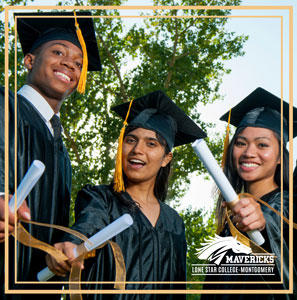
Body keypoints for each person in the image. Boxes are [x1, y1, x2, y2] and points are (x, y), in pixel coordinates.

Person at [45, 90, 207, 299]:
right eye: (130, 140)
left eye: (151, 143)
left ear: (166, 158)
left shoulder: (174, 222)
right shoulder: (101, 199)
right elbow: (87, 225)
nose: (137, 149)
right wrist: (71, 244)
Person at [0, 11, 101, 299]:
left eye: (79, 63)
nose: (70, 63)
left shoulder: (63, 154)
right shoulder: (5, 104)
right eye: (58, 51)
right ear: (29, 60)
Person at [202, 87, 297, 299]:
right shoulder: (230, 222)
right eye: (241, 143)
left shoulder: (289, 206)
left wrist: (263, 225)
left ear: (280, 157)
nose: (248, 152)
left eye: (262, 144)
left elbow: (275, 223)